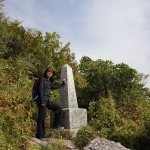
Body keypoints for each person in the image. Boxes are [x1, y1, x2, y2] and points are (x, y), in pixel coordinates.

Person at [36, 67, 65, 141]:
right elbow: (40, 89)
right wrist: (42, 101)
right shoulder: (43, 79)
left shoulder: (48, 82)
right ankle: (40, 136)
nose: (50, 73)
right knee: (42, 118)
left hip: (47, 101)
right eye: (49, 71)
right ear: (46, 72)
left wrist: (62, 84)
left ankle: (56, 125)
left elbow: (55, 87)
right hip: (42, 101)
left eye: (51, 72)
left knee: (58, 108)